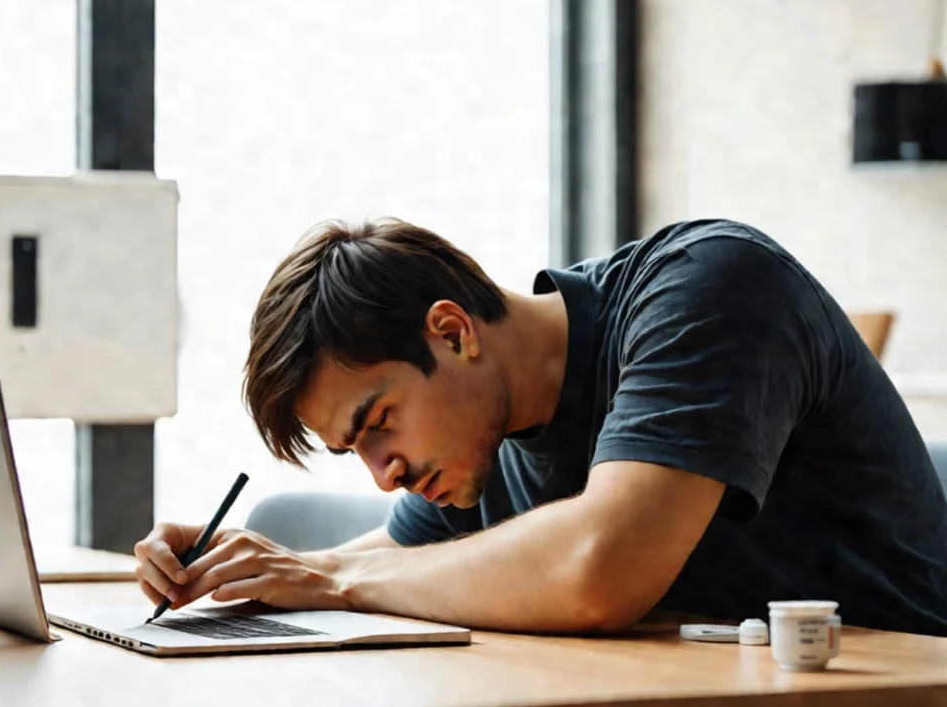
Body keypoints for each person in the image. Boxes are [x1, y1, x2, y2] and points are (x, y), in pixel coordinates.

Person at [134, 218, 947, 636]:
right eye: (359, 452)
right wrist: (251, 569)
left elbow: (601, 570)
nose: (383, 472)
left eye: (379, 423)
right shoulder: (488, 438)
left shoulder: (708, 290)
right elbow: (402, 556)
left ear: (451, 332)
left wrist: (331, 582)